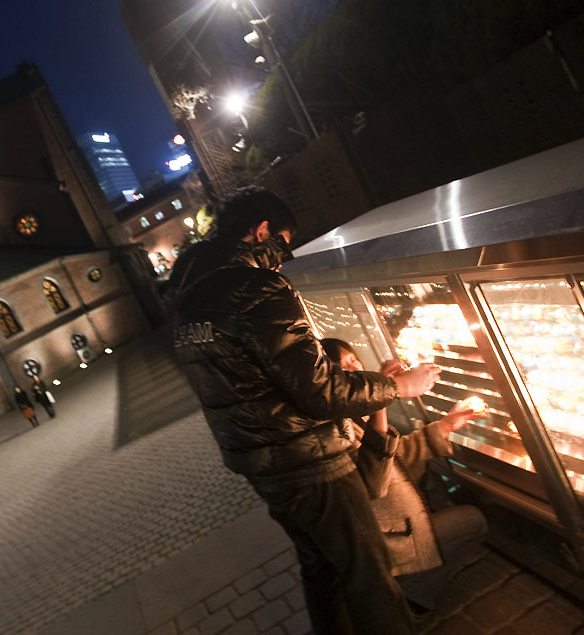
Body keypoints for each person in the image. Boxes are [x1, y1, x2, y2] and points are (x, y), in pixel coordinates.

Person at [163, 186, 442, 635]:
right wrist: (398, 386)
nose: (281, 261)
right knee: (369, 575)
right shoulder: (253, 286)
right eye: (283, 246)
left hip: (261, 464)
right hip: (310, 462)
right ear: (262, 232)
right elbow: (320, 391)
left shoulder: (188, 301)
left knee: (321, 566)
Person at [321, 338, 488, 617]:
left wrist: (446, 425)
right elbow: (375, 481)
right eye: (341, 368)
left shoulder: (351, 414)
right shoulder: (339, 427)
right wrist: (382, 400)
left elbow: (396, 458)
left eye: (352, 359)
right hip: (386, 540)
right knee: (474, 521)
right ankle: (410, 595)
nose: (353, 368)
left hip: (389, 530)